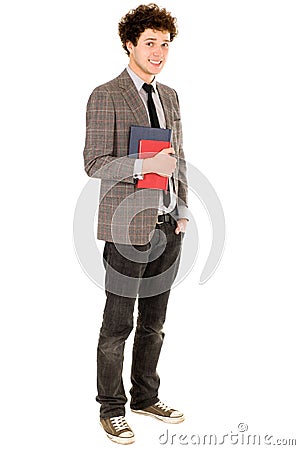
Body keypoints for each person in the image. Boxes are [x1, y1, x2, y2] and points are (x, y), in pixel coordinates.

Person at [83, 3, 189, 445]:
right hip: (126, 230)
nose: (159, 51)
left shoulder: (169, 96)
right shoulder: (106, 95)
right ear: (130, 44)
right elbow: (94, 163)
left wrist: (181, 208)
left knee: (154, 323)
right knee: (117, 325)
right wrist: (143, 161)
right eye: (150, 43)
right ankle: (112, 408)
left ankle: (146, 397)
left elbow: (178, 157)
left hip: (167, 225)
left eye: (165, 44)